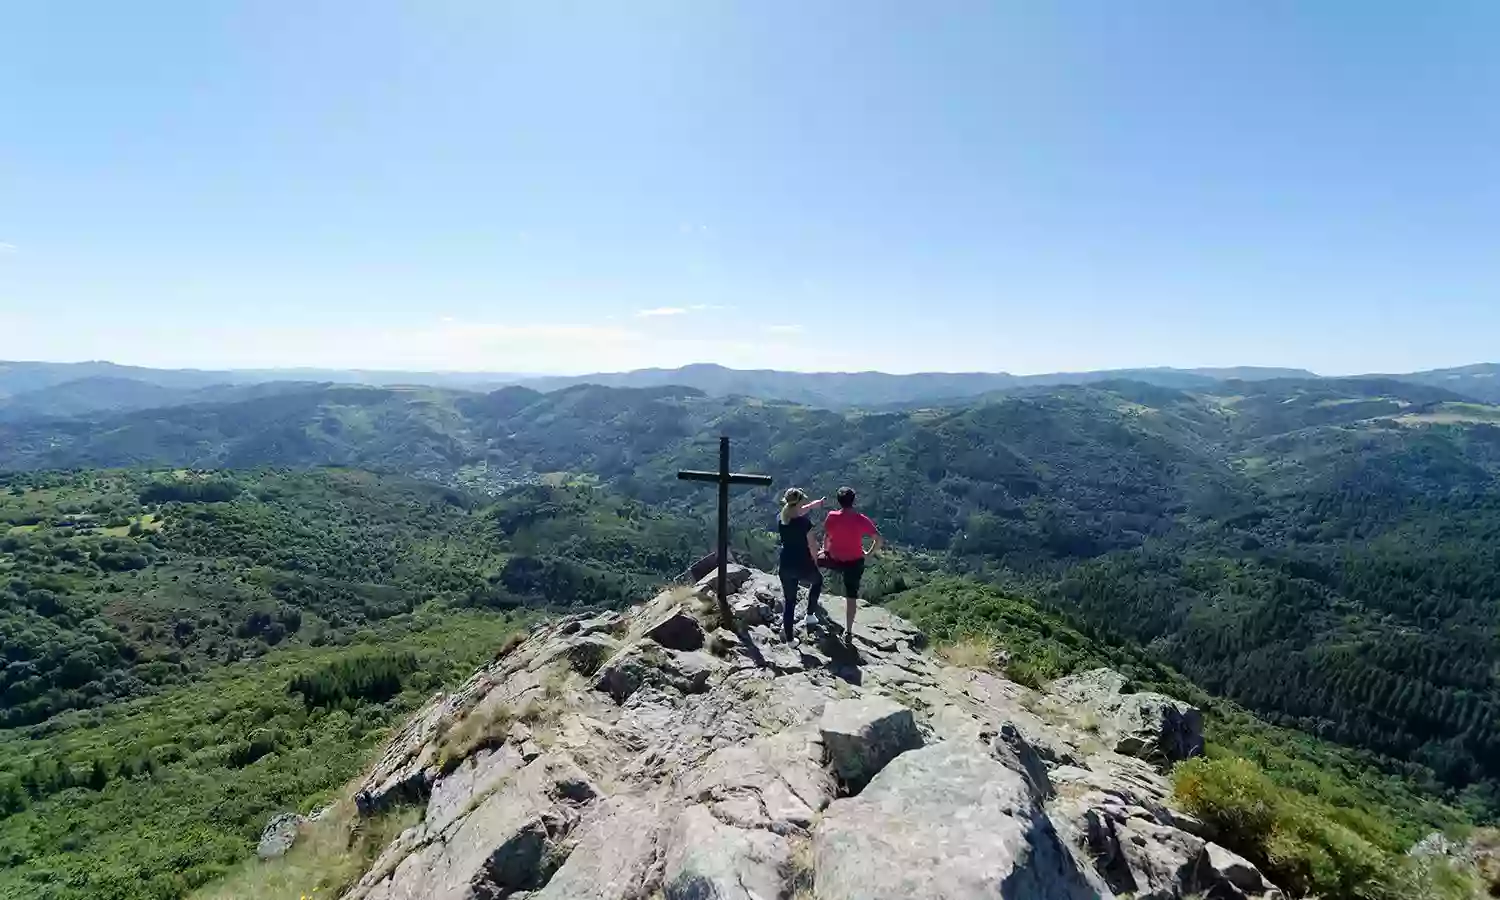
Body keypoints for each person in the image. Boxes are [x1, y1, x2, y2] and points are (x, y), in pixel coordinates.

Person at [820, 486, 882, 642]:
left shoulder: (832, 516)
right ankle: (848, 631)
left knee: (813, 561)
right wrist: (868, 554)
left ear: (839, 501)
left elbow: (827, 537)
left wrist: (825, 551)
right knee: (851, 596)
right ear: (854, 501)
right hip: (854, 561)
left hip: (834, 558)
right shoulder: (861, 519)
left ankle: (811, 606)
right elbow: (878, 539)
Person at [776, 487, 825, 641]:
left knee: (789, 602)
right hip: (803, 564)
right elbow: (812, 545)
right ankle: (810, 615)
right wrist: (816, 559)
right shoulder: (804, 523)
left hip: (785, 564)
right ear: (799, 503)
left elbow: (797, 511)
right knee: (817, 581)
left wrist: (813, 505)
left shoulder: (781, 518)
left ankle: (789, 640)